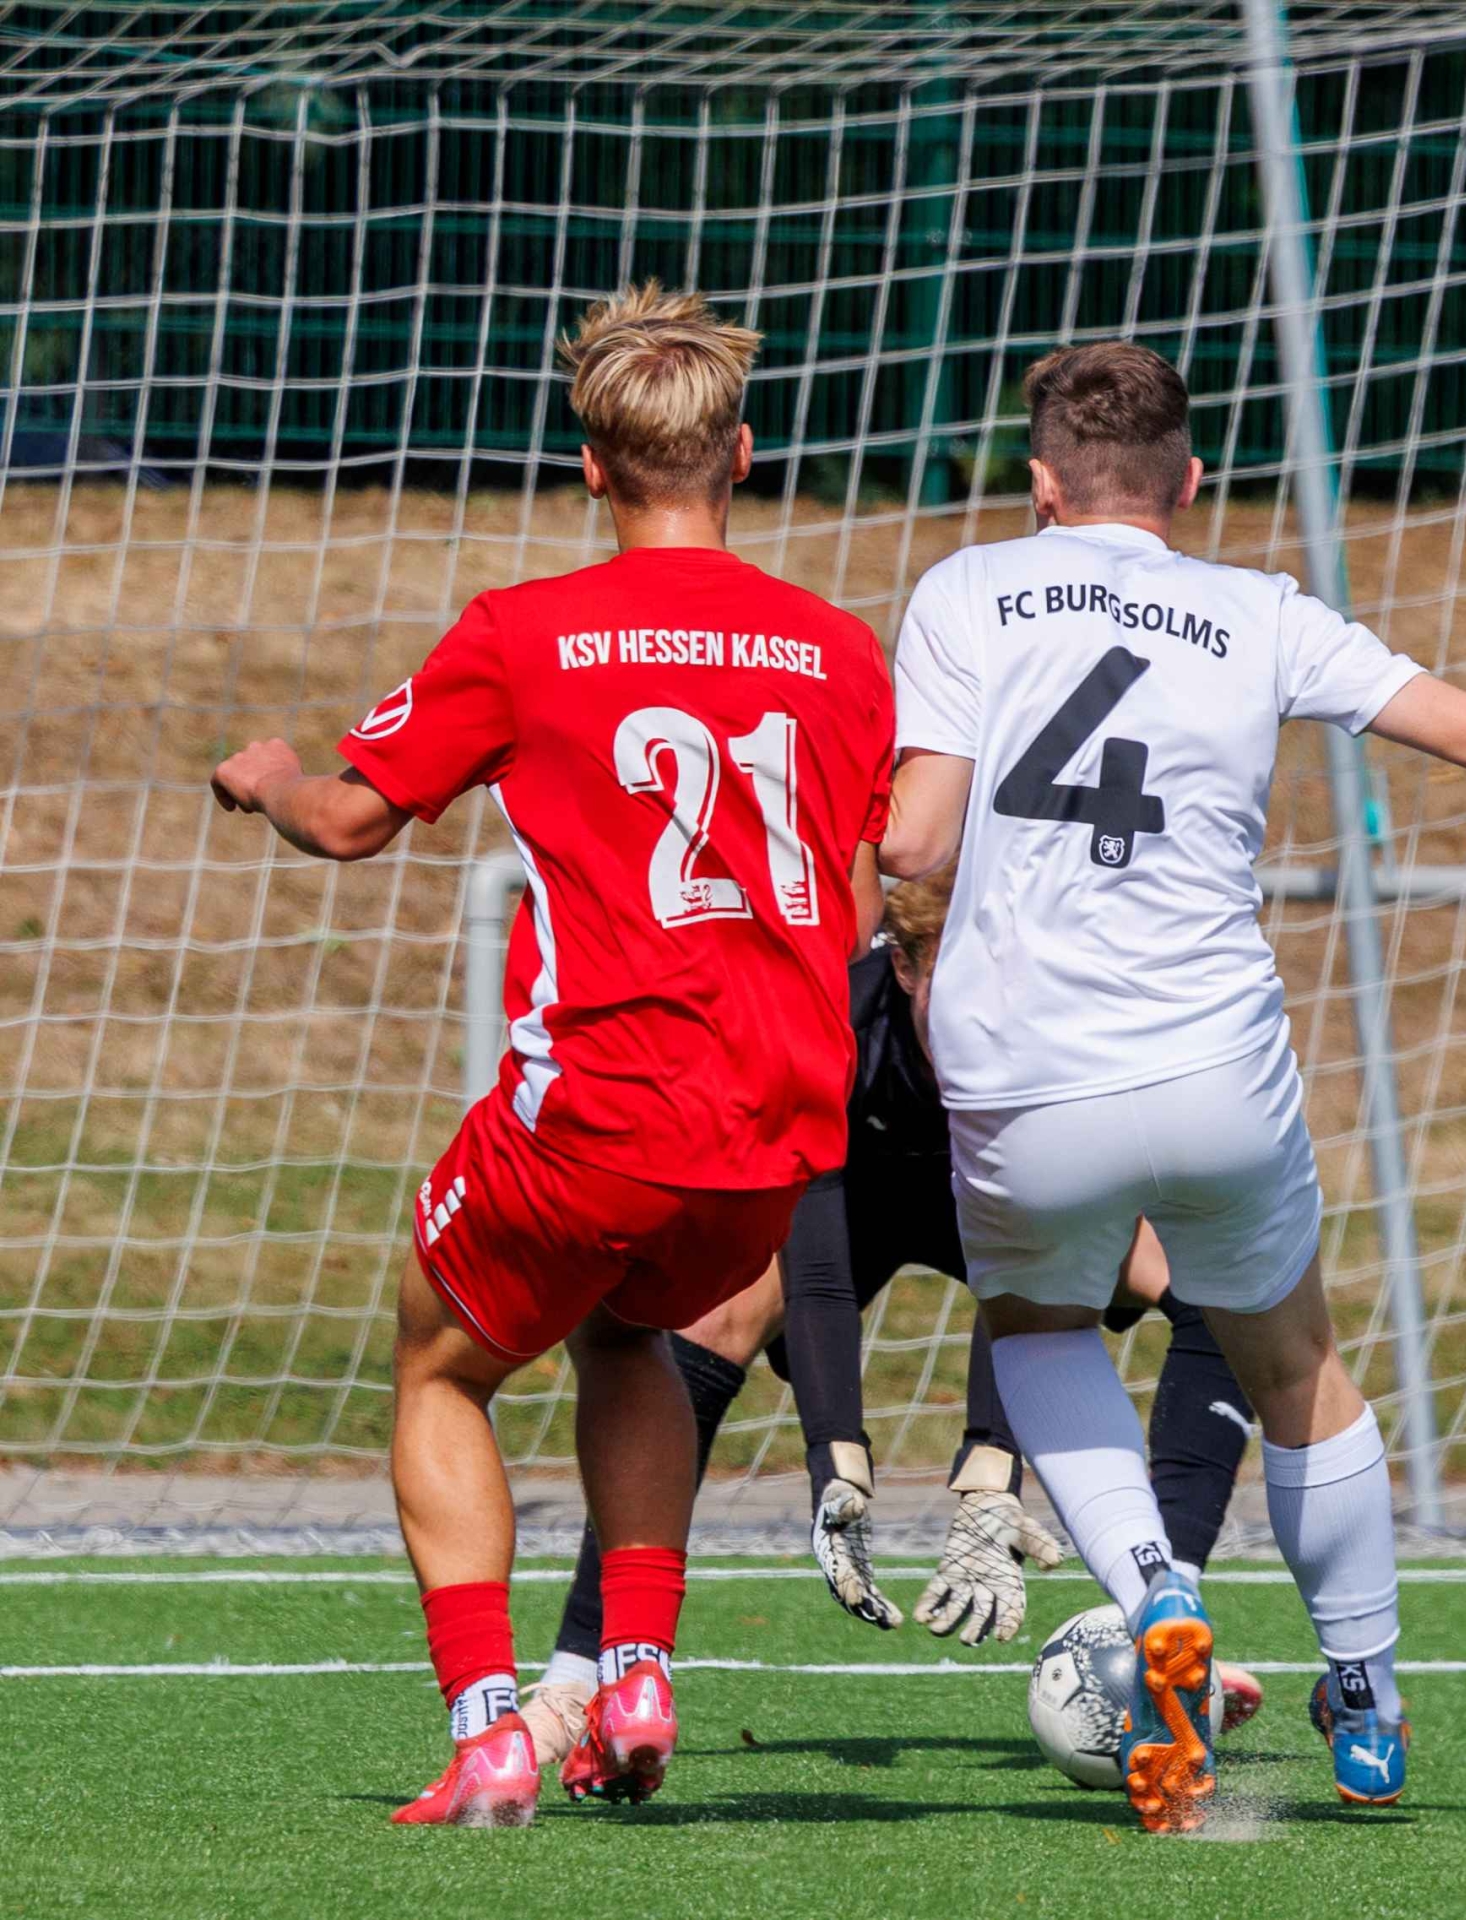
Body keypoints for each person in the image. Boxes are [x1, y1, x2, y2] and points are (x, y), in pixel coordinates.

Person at [880, 340, 1466, 1832]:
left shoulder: (967, 589)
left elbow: (914, 843)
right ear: (1189, 481)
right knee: (1295, 1366)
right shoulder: (1259, 611)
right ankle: (1365, 1698)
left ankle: (1157, 1594)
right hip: (1215, 1063)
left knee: (1036, 1330)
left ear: (1040, 486)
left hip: (1024, 1070)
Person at [210, 283, 895, 1827]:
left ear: (591, 467)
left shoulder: (524, 635)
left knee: (437, 1363)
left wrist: (269, 777)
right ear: (742, 452)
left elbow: (353, 821)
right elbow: (854, 904)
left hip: (598, 1112)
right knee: (627, 1337)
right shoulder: (842, 653)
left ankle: (488, 1731)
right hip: (773, 1135)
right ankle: (635, 1671)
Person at [518, 874, 1271, 1767]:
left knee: (1219, 1296)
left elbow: (1036, 1270)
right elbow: (819, 1271)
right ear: (907, 967)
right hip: (849, 1199)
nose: (981, 1014)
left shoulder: (1055, 1030)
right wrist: (834, 1460)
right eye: (958, 981)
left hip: (1007, 1209)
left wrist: (991, 1466)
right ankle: (582, 1675)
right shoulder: (831, 1019)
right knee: (706, 1323)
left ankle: (1165, 1619)